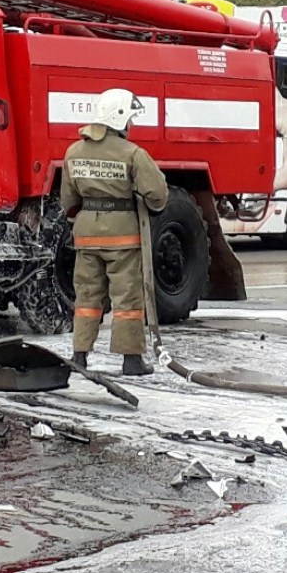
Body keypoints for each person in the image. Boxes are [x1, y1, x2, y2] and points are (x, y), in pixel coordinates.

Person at [60, 88, 170, 376]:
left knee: (86, 297)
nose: (131, 124)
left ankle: (79, 356)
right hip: (123, 237)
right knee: (127, 300)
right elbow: (157, 193)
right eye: (130, 118)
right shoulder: (132, 153)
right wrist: (152, 205)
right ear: (119, 117)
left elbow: (68, 201)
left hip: (85, 236)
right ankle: (131, 360)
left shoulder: (74, 151)